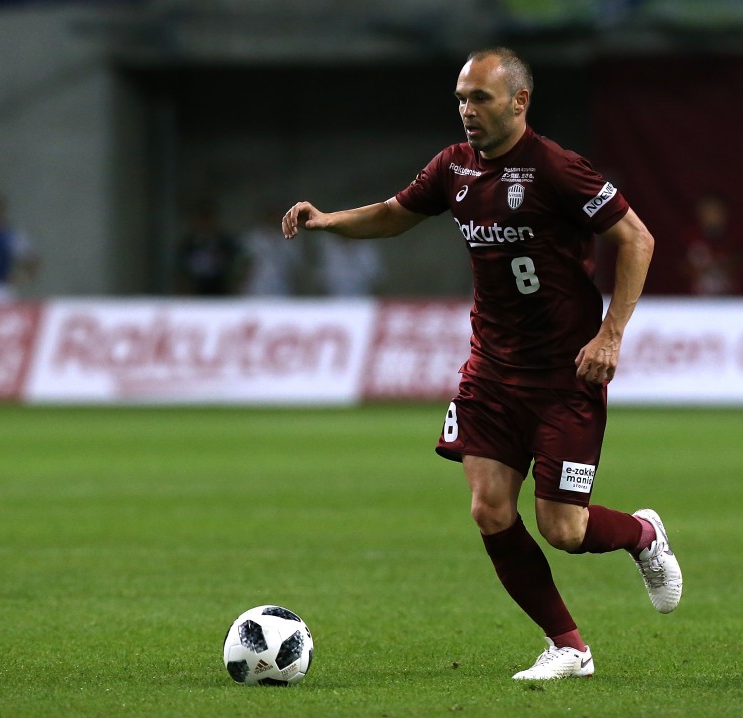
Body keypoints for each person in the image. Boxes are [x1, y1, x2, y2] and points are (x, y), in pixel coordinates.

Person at [281, 47, 682, 680]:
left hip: (564, 376)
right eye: (462, 99)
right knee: (489, 509)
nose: (467, 110)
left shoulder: (556, 168)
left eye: (481, 98)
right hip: (490, 371)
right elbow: (394, 215)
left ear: (520, 102)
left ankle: (642, 535)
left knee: (564, 529)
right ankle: (569, 648)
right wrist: (328, 220)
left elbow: (637, 238)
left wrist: (610, 336)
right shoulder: (453, 167)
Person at [174, 201, 243, 296]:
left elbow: (235, 265)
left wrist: (234, 286)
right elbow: (181, 270)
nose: (205, 225)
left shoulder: (226, 243)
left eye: (208, 221)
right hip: (195, 289)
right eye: (201, 221)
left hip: (220, 288)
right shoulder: (187, 245)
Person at [681, 192, 742, 296]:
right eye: (708, 212)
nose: (713, 216)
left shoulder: (735, 238)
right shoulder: (689, 238)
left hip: (731, 299)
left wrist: (725, 265)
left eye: (717, 211)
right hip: (695, 299)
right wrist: (700, 269)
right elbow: (680, 267)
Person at [239, 207, 305, 296]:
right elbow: (243, 265)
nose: (273, 219)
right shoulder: (254, 238)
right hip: (256, 287)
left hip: (283, 288)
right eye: (270, 216)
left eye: (276, 216)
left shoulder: (290, 240)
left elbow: (296, 269)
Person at [316, 235, 383, 296]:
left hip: (362, 299)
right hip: (333, 300)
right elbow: (320, 281)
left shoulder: (366, 249)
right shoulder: (327, 248)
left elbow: (377, 281)